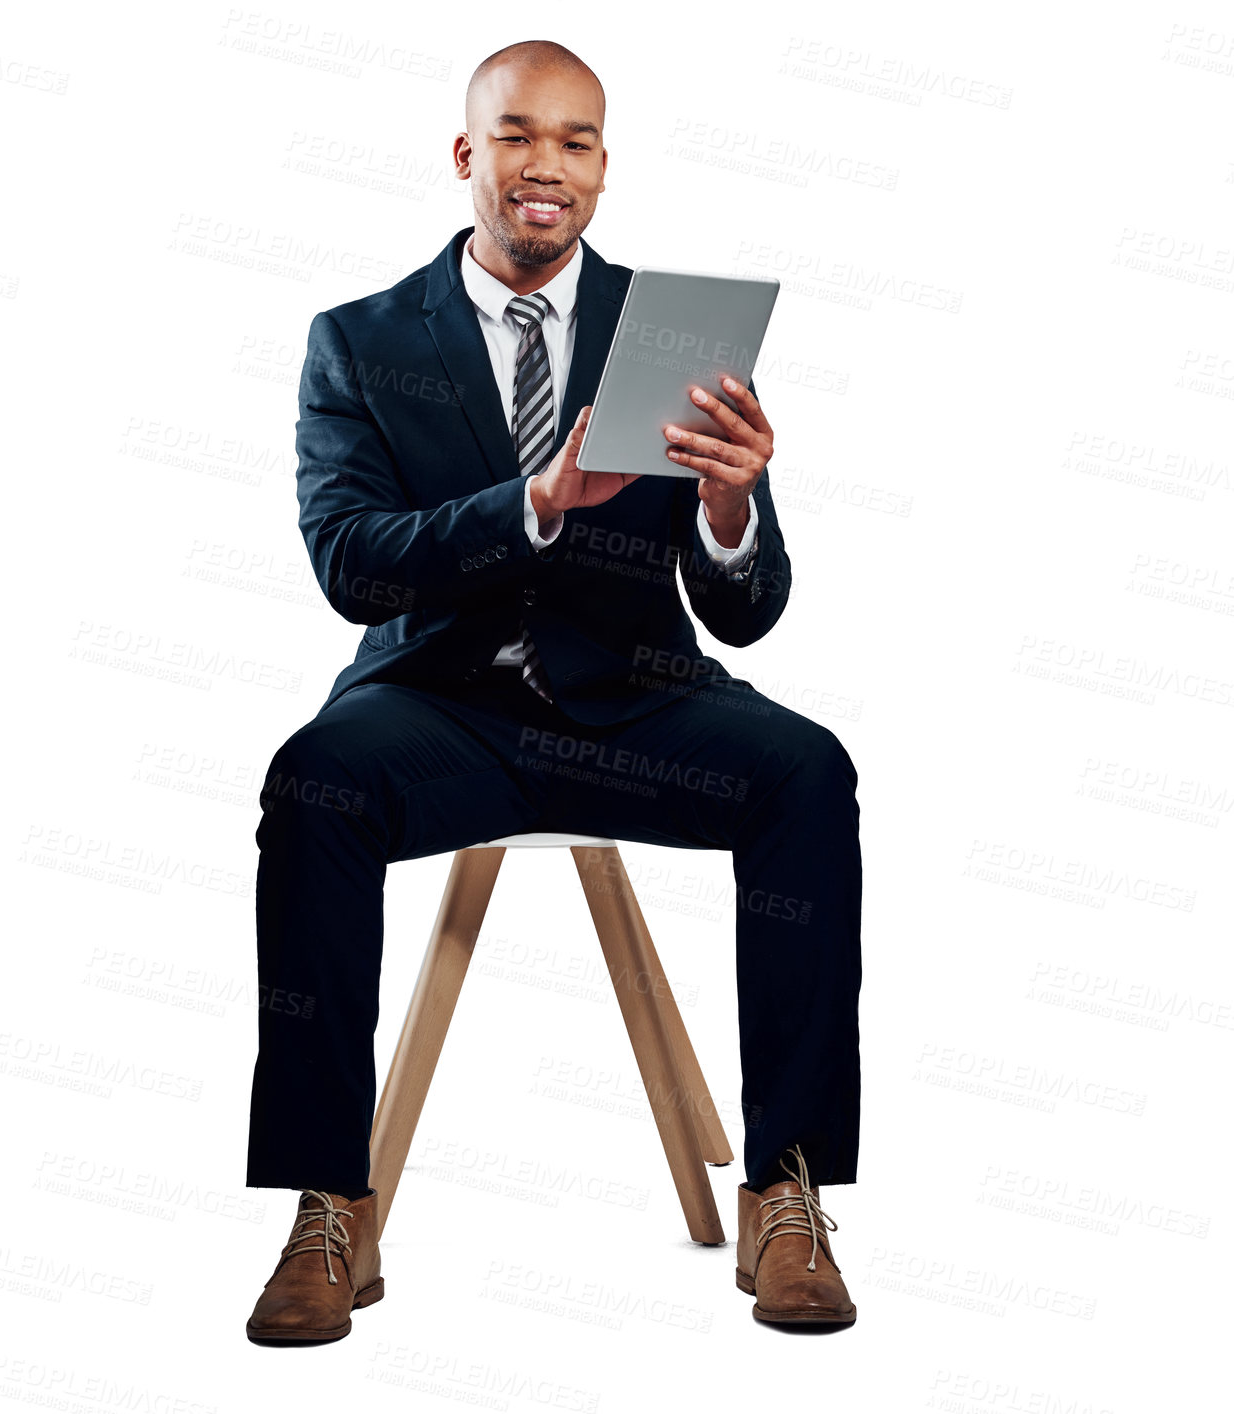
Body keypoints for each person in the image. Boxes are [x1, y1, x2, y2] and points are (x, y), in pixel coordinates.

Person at [244, 39, 863, 1344]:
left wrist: (729, 505)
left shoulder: (672, 330)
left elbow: (746, 607)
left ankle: (783, 1189)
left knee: (809, 768)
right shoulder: (359, 342)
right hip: (437, 709)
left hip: (638, 710)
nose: (546, 166)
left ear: (600, 165)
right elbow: (350, 564)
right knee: (314, 777)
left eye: (575, 142)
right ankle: (326, 1202)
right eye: (518, 136)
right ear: (467, 155)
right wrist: (527, 505)